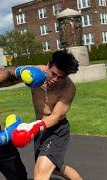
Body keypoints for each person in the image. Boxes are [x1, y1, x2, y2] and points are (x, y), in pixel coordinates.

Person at [12, 50, 83, 180]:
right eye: (54, 73)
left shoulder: (69, 88)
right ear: (48, 65)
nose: (55, 79)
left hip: (57, 131)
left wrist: (33, 128)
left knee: (40, 175)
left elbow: (56, 116)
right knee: (56, 169)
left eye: (61, 77)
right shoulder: (34, 72)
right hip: (40, 131)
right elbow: (11, 75)